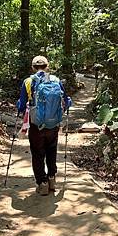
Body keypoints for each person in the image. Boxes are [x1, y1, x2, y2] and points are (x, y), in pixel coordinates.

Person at [17, 55, 72, 195]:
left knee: (37, 153)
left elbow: (22, 105)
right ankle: (52, 178)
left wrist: (21, 107)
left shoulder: (28, 82)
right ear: (47, 66)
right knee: (51, 150)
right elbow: (65, 102)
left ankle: (42, 183)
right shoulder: (56, 80)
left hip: (36, 125)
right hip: (53, 124)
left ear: (32, 67)